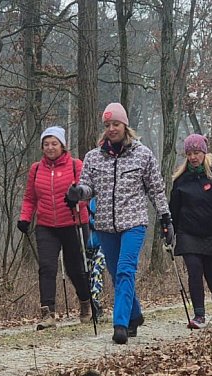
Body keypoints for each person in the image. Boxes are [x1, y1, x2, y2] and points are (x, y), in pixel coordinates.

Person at [65, 102, 171, 344]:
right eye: (107, 125)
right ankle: (135, 314)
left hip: (134, 223)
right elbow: (88, 188)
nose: (111, 128)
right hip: (104, 225)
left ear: (125, 125)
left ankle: (120, 324)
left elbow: (156, 189)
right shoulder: (93, 157)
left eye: (116, 124)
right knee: (115, 273)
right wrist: (76, 193)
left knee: (125, 270)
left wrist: (166, 218)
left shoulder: (142, 154)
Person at [18, 126, 92, 330]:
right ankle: (47, 313)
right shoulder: (36, 169)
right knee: (47, 268)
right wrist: (25, 218)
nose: (50, 148)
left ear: (62, 146)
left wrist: (76, 200)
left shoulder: (76, 165)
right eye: (46, 144)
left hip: (74, 223)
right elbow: (29, 198)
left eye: (54, 143)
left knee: (75, 269)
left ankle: (86, 304)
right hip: (46, 225)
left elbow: (88, 194)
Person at [169, 134, 212, 328]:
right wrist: (168, 233)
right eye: (189, 153)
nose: (192, 157)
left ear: (204, 153)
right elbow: (173, 210)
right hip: (188, 233)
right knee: (194, 271)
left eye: (196, 152)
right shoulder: (180, 180)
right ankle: (199, 315)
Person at [85, 197, 106, 320]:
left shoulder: (100, 199)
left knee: (96, 271)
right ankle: (88, 305)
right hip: (85, 244)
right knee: (86, 274)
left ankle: (95, 302)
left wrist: (91, 223)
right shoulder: (80, 202)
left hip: (101, 243)